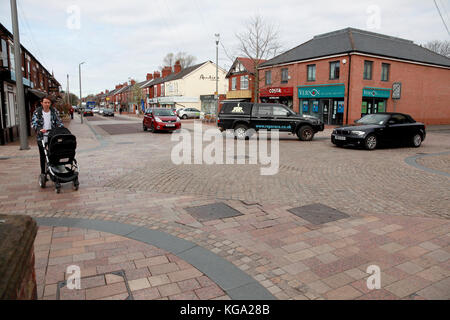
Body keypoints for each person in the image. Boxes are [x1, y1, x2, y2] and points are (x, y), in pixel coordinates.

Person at [31, 95, 64, 181]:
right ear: (41, 103)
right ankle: (43, 173)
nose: (47, 104)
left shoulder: (54, 111)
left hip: (52, 136)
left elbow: (59, 122)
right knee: (43, 156)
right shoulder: (37, 112)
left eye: (48, 102)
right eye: (45, 102)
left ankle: (54, 170)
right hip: (41, 137)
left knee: (53, 153)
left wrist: (60, 129)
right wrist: (39, 129)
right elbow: (34, 124)